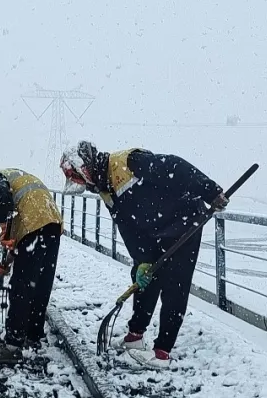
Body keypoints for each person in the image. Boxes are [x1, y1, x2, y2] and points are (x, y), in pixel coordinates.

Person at [60, 141, 228, 369]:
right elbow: (127, 227)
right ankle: (135, 335)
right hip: (154, 231)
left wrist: (210, 191)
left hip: (183, 222)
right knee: (144, 279)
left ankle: (162, 352)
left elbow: (175, 167)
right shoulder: (105, 187)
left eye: (78, 177)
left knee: (174, 284)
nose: (80, 183)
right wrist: (141, 258)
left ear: (85, 167)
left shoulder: (129, 162)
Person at [0, 166, 63, 363]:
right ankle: (33, 335)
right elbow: (18, 242)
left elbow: (1, 197)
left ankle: (13, 345)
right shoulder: (18, 176)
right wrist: (6, 262)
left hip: (33, 223)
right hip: (51, 221)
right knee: (40, 283)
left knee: (21, 286)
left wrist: (4, 226)